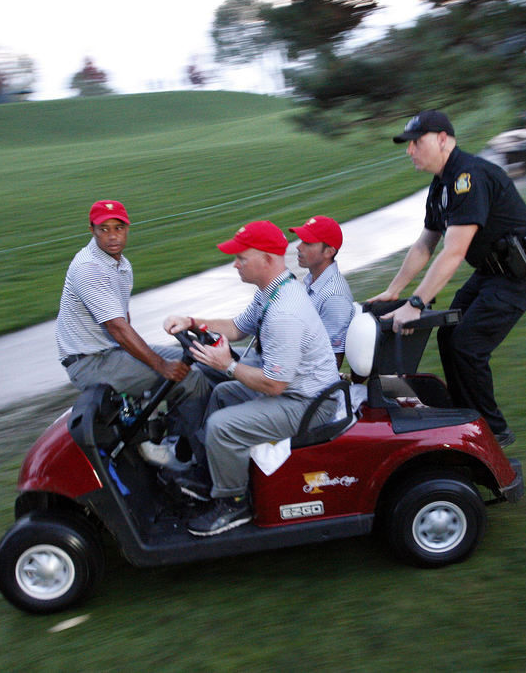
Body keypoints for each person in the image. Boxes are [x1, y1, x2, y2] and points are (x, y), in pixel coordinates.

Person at [368, 110, 526, 447]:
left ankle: (492, 430)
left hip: (520, 276)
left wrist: (416, 303)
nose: (410, 151)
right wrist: (393, 290)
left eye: (416, 143)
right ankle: (465, 417)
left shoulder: (468, 177)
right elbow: (426, 244)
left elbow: (453, 253)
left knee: (468, 345)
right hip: (491, 271)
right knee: (449, 335)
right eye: (407, 145)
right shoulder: (441, 185)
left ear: (443, 139)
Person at [163, 221, 340, 536]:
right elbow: (236, 327)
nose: (234, 264)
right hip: (295, 393)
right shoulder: (273, 291)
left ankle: (233, 503)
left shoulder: (284, 312)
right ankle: (214, 477)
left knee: (222, 426)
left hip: (309, 404)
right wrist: (191, 321)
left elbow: (275, 385)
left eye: (241, 258)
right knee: (222, 395)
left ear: (268, 260)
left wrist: (227, 364)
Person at [55, 199, 211, 461]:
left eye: (118, 227)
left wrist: (151, 360)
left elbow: (123, 321)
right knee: (190, 379)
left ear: (128, 228)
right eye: (104, 229)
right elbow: (117, 328)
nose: (112, 236)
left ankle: (173, 437)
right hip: (91, 362)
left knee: (201, 361)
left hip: (111, 352)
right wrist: (160, 365)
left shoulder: (120, 264)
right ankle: (193, 460)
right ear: (91, 229)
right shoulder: (89, 269)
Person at [288, 216, 355, 367]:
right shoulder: (312, 280)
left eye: (308, 243)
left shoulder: (334, 297)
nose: (299, 247)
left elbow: (330, 363)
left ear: (329, 252)